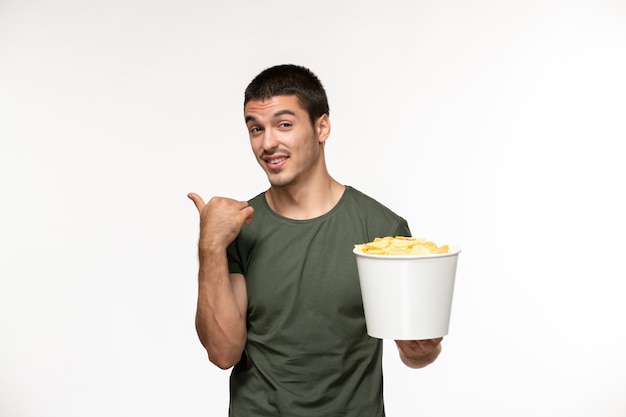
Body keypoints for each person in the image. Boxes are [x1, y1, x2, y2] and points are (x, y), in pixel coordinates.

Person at [188, 64, 443, 416]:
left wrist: (421, 350)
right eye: (256, 128)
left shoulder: (382, 229)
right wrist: (210, 246)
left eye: (284, 124)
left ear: (321, 127)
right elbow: (222, 352)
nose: (267, 142)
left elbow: (416, 349)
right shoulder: (238, 228)